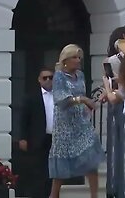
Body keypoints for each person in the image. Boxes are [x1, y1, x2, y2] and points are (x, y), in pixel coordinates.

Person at [48, 44, 105, 198]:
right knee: (61, 164)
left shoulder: (80, 75)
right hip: (65, 125)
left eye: (79, 57)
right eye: (74, 57)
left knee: (91, 159)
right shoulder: (59, 76)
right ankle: (54, 195)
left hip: (81, 122)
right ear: (65, 60)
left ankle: (95, 196)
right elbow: (61, 99)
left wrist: (89, 106)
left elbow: (83, 95)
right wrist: (82, 99)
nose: (78, 60)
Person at [19, 67, 54, 198]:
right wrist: (23, 138)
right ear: (39, 80)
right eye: (45, 78)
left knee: (54, 170)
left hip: (55, 138)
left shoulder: (59, 96)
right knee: (38, 170)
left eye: (51, 77)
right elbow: (24, 119)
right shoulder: (32, 97)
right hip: (38, 138)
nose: (48, 80)